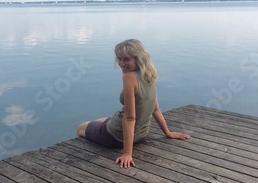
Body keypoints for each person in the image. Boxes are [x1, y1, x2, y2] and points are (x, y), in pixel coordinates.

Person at [76, 38, 190, 168]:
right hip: (141, 134)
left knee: (81, 127)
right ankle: (103, 126)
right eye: (119, 59)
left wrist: (127, 153)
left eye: (126, 59)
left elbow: (130, 118)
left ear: (138, 58)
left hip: (116, 137)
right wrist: (168, 133)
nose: (121, 63)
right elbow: (155, 109)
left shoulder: (129, 78)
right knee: (104, 120)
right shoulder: (150, 74)